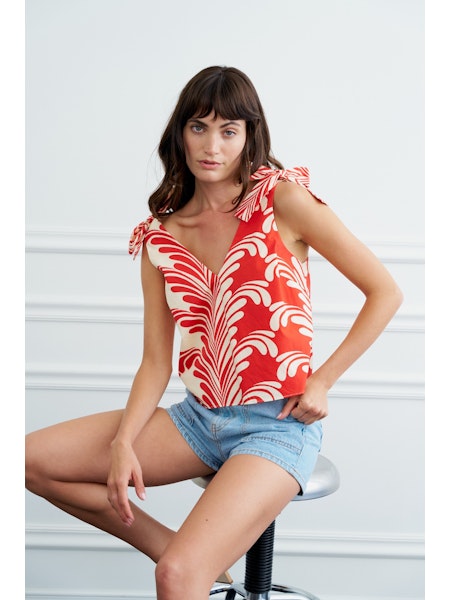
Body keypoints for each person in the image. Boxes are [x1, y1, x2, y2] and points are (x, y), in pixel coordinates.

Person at [25, 65, 403, 599]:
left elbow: (385, 292)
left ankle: (182, 564)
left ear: (250, 136)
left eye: (229, 130)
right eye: (199, 127)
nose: (212, 145)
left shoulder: (281, 201)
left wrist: (322, 380)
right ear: (180, 133)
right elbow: (155, 361)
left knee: (177, 577)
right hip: (198, 420)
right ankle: (166, 545)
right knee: (27, 460)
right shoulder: (159, 236)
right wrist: (123, 442)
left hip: (278, 426)